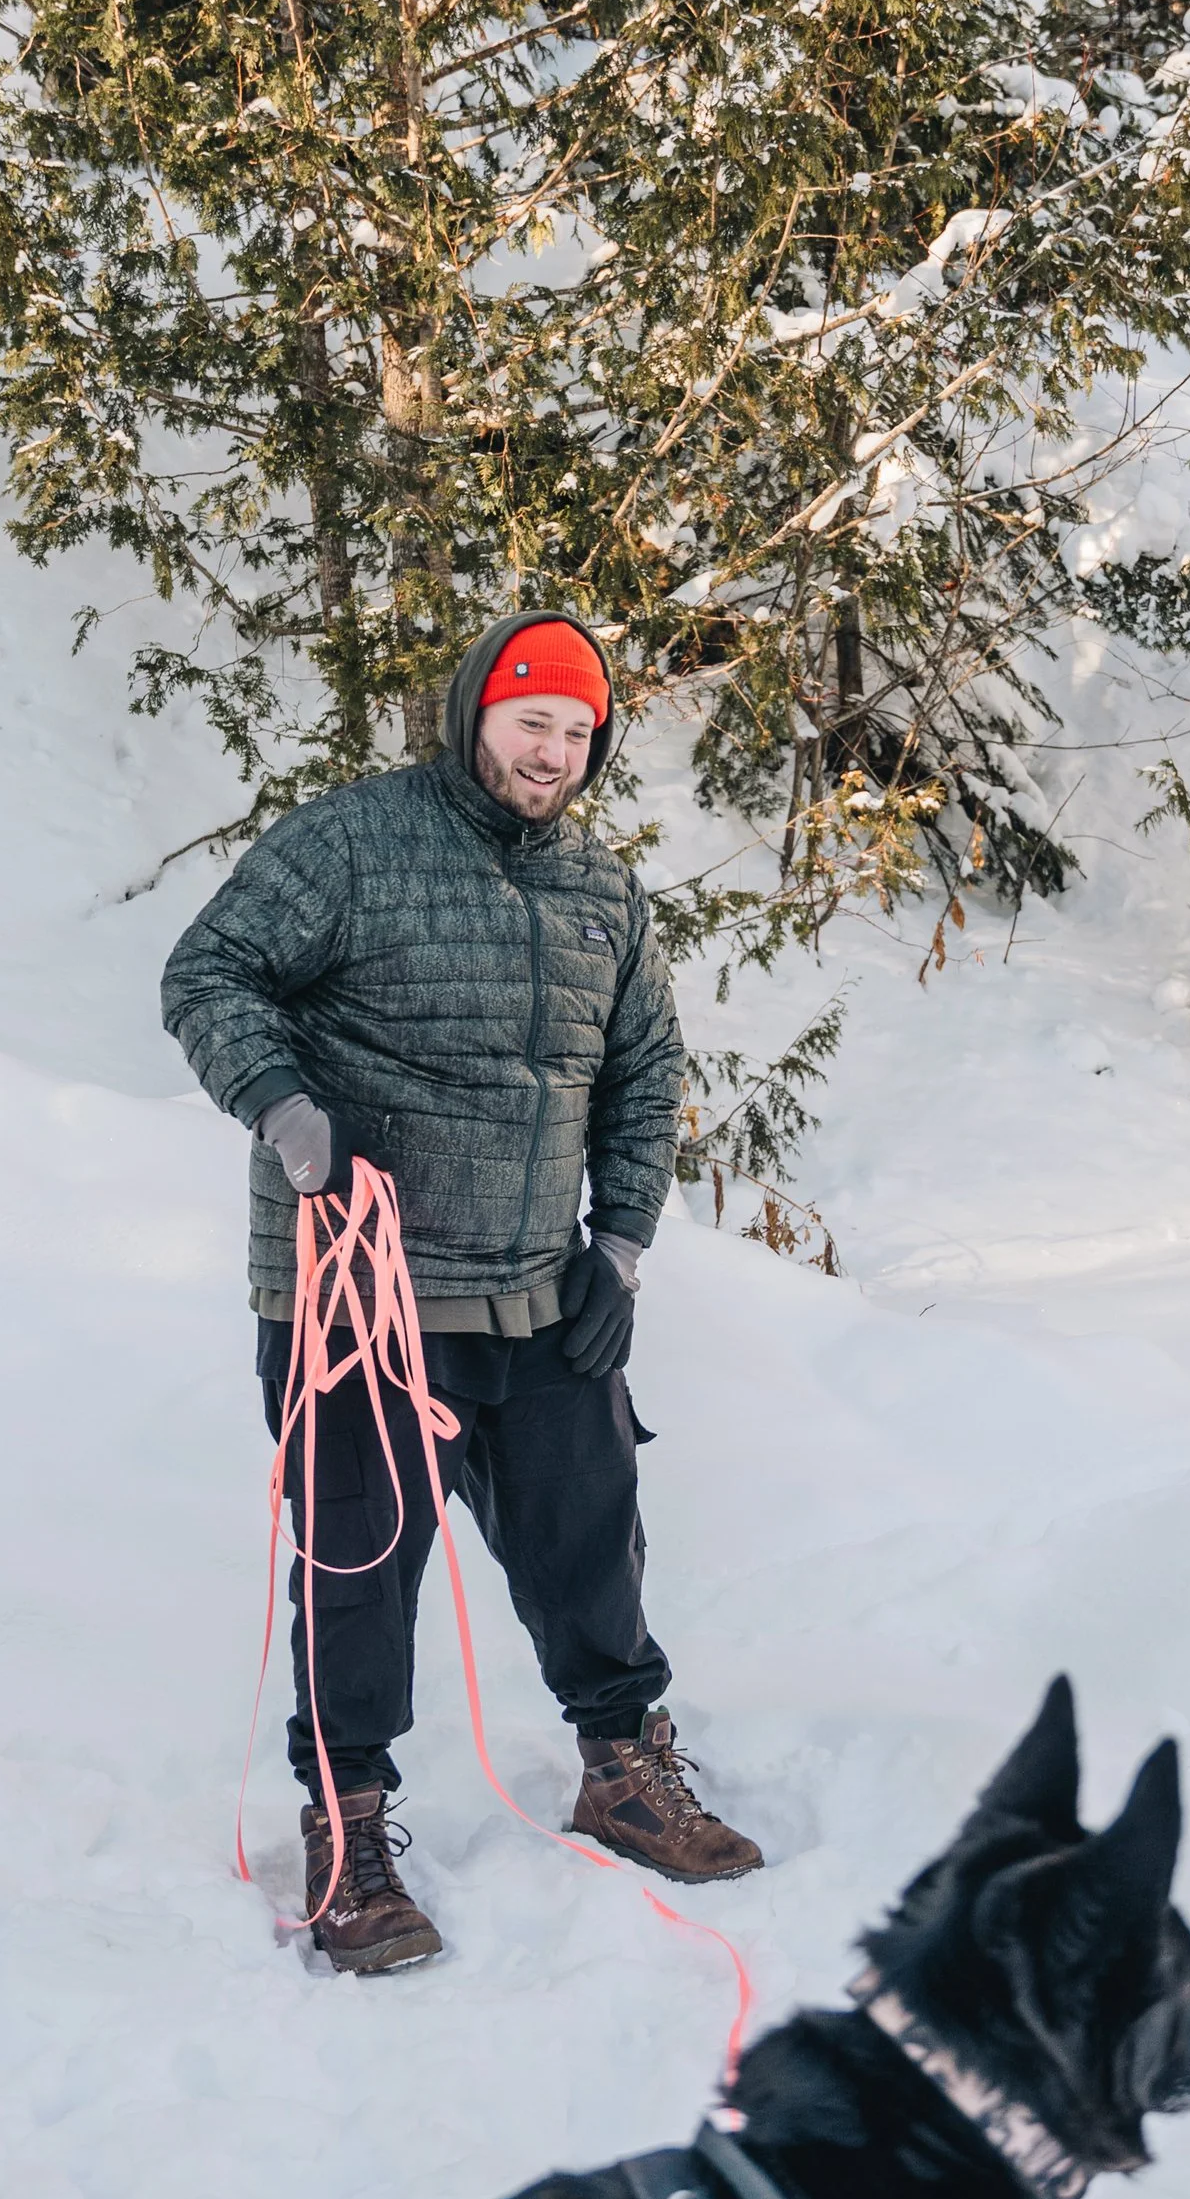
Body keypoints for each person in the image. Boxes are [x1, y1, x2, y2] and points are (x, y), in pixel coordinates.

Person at [161, 609, 762, 1975]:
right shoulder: (351, 843)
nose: (552, 749)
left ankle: (622, 1769)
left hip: (535, 1287)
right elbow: (209, 972)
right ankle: (351, 1835)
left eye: (575, 730)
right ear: (475, 712)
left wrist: (617, 1249)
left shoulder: (603, 894)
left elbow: (640, 1072)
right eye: (530, 718)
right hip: (358, 1285)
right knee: (362, 1564)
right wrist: (286, 1108)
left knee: (588, 1537)